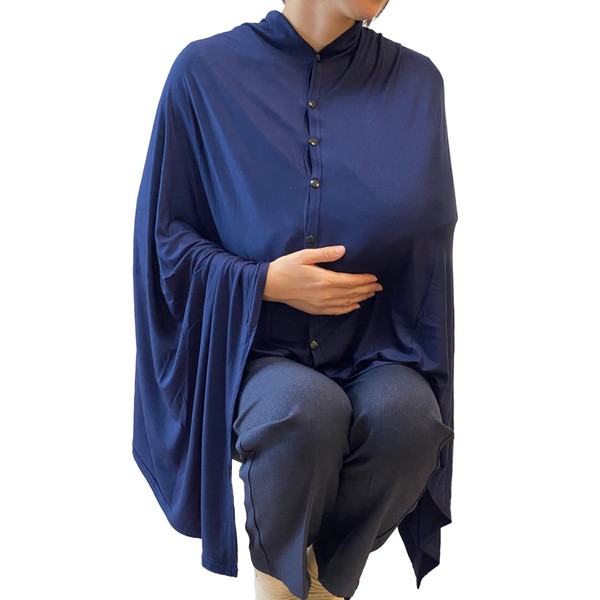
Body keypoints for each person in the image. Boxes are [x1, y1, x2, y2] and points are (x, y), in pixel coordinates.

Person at [131, 1, 458, 599]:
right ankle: (282, 581)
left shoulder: (417, 82)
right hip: (257, 352)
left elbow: (431, 258)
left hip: (376, 348)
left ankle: (318, 584)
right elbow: (165, 239)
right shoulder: (204, 73)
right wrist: (261, 281)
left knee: (411, 423)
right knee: (304, 413)